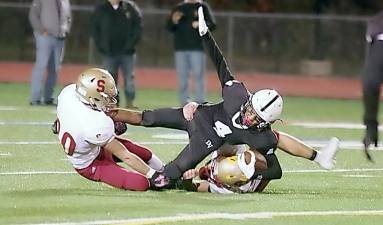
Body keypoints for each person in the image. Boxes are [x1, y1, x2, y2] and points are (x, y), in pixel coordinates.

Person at [110, 8, 340, 189]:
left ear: (264, 123)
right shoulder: (236, 95)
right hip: (197, 117)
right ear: (249, 100)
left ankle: (141, 179)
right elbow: (220, 63)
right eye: (250, 109)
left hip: (207, 141)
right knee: (145, 117)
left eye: (256, 117)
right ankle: (103, 112)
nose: (249, 116)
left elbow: (274, 171)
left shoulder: (261, 137)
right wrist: (205, 35)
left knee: (167, 177)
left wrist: (239, 167)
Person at [53, 68, 164, 191]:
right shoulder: (96, 124)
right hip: (90, 164)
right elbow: (126, 156)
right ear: (92, 97)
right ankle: (161, 178)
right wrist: (153, 175)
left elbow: (63, 117)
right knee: (141, 183)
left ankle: (165, 170)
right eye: (106, 97)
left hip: (92, 142)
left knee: (144, 153)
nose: (110, 100)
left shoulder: (68, 93)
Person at [90, 0, 142, 108]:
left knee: (129, 78)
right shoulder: (101, 9)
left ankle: (130, 103)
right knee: (110, 80)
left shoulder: (130, 8)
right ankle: (113, 103)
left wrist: (131, 44)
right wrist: (101, 46)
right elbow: (94, 28)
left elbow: (138, 26)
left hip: (127, 52)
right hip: (109, 52)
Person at [166, 0, 216, 106]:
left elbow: (212, 25)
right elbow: (169, 27)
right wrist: (174, 20)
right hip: (180, 49)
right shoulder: (179, 7)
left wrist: (201, 23)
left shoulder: (202, 6)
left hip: (197, 48)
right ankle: (184, 103)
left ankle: (200, 102)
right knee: (183, 77)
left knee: (199, 76)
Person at [29, 0, 72, 106]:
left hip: (60, 38)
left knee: (55, 69)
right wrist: (41, 30)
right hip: (45, 37)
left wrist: (66, 30)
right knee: (41, 66)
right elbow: (33, 15)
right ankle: (35, 98)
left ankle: (48, 97)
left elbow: (68, 16)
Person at [362, 10, 383, 161]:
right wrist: (371, 124)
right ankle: (371, 130)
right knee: (370, 83)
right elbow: (370, 83)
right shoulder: (378, 25)